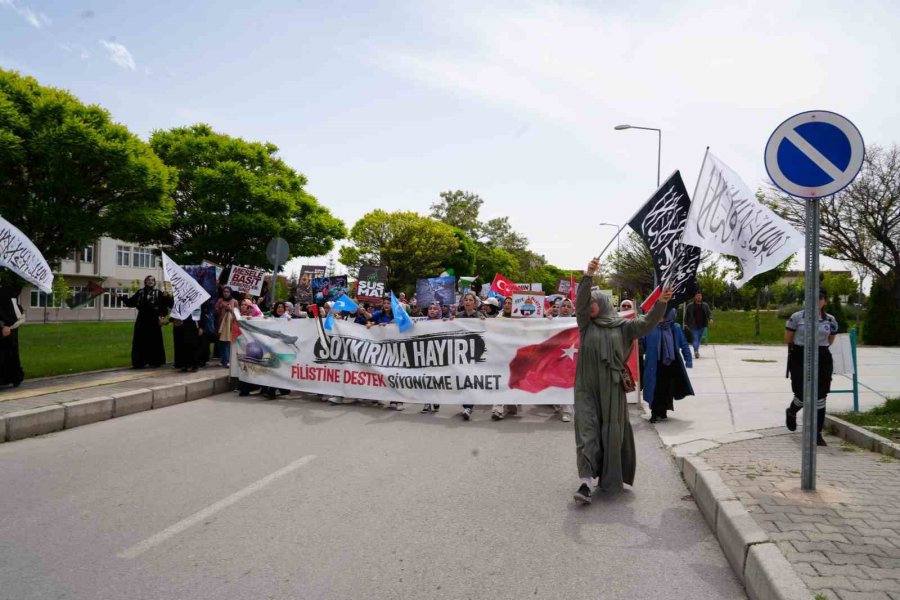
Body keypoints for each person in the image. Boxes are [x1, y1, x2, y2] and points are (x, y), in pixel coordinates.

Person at [573, 257, 671, 505]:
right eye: (590, 302)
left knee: (610, 433)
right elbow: (580, 304)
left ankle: (609, 478)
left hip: (612, 390)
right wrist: (588, 276)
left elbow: (648, 323)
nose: (591, 305)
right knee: (586, 432)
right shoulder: (585, 325)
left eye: (594, 302)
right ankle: (585, 482)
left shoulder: (623, 327)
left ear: (604, 303)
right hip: (586, 388)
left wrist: (661, 303)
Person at [784, 289, 838, 447]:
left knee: (820, 396)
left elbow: (830, 339)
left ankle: (817, 434)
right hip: (801, 355)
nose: (817, 301)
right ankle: (792, 411)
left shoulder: (830, 319)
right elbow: (788, 338)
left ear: (824, 301)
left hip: (822, 357)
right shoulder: (797, 317)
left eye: (820, 298)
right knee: (802, 393)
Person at [642, 308, 694, 423]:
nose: (660, 318)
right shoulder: (649, 327)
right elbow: (642, 344)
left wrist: (688, 360)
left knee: (666, 388)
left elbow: (684, 344)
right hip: (654, 365)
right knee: (654, 388)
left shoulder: (675, 328)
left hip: (670, 364)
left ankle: (663, 410)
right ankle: (654, 413)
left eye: (663, 316)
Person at [120, 276, 169, 369]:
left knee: (154, 340)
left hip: (154, 320)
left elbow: (165, 306)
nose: (150, 281)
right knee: (140, 340)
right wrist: (120, 297)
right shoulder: (140, 292)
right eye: (148, 280)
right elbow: (131, 302)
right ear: (145, 282)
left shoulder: (158, 293)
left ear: (154, 283)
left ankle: (154, 361)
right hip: (142, 320)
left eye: (152, 280)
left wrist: (162, 316)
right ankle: (139, 362)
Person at [456, 292, 485, 421]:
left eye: (470, 300)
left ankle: (469, 406)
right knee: (461, 379)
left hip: (475, 353)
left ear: (475, 302)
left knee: (471, 379)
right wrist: (445, 321)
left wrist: (485, 323)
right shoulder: (458, 316)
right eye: (465, 300)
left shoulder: (480, 316)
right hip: (460, 353)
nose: (468, 302)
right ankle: (466, 404)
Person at [420, 301, 445, 414]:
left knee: (436, 379)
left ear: (438, 310)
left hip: (439, 355)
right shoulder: (423, 323)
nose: (432, 310)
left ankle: (436, 399)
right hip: (426, 355)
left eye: (435, 308)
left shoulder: (443, 322)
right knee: (426, 379)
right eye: (430, 308)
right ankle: (427, 402)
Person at [0, 285, 25, 387]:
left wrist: (7, 324)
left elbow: (11, 312)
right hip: (7, 326)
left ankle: (13, 377)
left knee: (7, 352)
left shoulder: (5, 291)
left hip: (6, 327)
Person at [684, 291, 713, 358]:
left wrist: (710, 319)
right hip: (693, 325)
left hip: (702, 325)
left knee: (698, 339)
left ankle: (696, 350)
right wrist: (685, 323)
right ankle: (696, 351)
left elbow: (709, 313)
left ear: (701, 297)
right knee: (695, 338)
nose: (699, 297)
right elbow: (686, 315)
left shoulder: (705, 305)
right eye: (697, 296)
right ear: (695, 297)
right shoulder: (690, 306)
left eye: (700, 296)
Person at [215, 287, 239, 367]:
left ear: (230, 292)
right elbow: (216, 311)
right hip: (220, 324)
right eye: (224, 291)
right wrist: (220, 306)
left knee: (227, 342)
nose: (225, 293)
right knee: (221, 342)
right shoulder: (220, 301)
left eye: (227, 292)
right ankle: (222, 360)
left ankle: (228, 360)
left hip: (230, 325)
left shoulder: (234, 301)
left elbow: (237, 314)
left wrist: (230, 309)